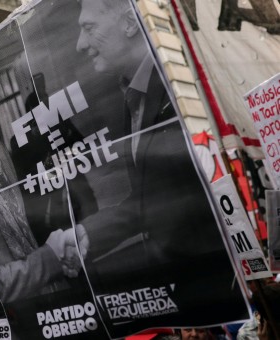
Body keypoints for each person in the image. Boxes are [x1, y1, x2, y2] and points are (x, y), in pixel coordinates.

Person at [69, 0, 247, 333]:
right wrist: (83, 234)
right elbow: (149, 198)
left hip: (232, 290)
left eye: (89, 27)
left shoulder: (181, 84)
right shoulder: (133, 96)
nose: (80, 44)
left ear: (128, 23)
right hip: (199, 297)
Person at [0, 59, 86, 303]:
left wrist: (61, 254)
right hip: (20, 315)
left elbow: (26, 224)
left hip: (55, 293)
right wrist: (50, 258)